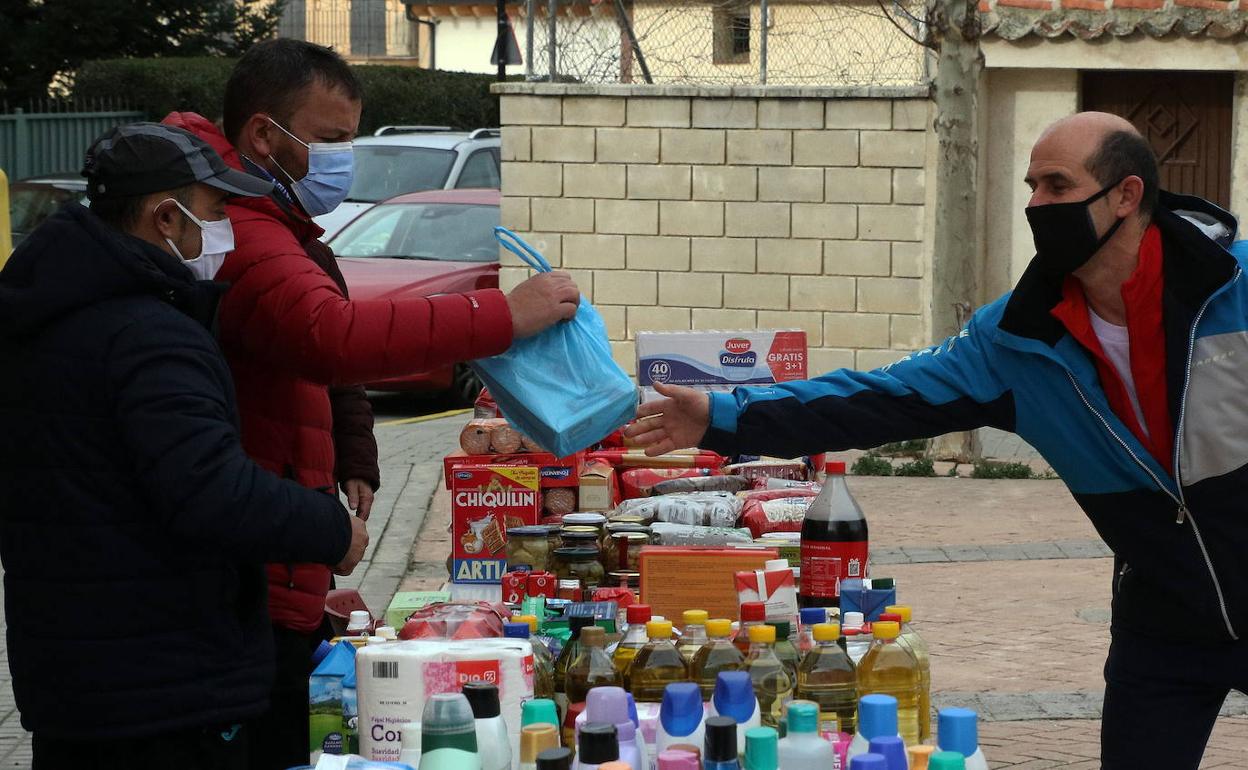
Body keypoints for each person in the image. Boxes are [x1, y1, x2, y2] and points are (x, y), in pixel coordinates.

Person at [626, 111, 1248, 769]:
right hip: (1164, 617)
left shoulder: (1233, 290)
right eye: (1031, 185)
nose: (1035, 204)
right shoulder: (1017, 339)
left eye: (1057, 186)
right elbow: (875, 399)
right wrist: (724, 416)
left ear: (1126, 195)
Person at [163, 38, 581, 768]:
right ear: (263, 134)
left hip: (281, 557)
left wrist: (354, 448)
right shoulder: (243, 230)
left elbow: (315, 361)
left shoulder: (276, 219)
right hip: (253, 569)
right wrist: (502, 316)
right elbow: (332, 336)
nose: (341, 161)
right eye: (330, 140)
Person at [0, 123, 370, 769]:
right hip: (163, 686)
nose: (224, 227)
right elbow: (210, 491)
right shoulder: (147, 334)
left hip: (76, 673)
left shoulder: (48, 313)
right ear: (165, 217)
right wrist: (329, 529)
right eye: (217, 210)